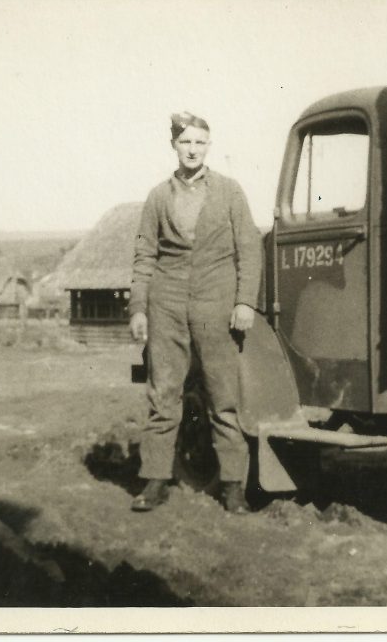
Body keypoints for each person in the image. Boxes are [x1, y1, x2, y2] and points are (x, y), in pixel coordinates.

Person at [128, 111, 263, 514]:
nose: (193, 149)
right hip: (166, 302)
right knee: (163, 394)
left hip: (215, 302)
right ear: (174, 145)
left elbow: (249, 249)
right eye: (186, 142)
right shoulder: (157, 197)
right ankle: (155, 482)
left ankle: (233, 487)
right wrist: (139, 308)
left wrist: (243, 301)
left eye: (200, 142)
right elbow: (144, 255)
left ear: (209, 146)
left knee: (223, 396)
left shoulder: (230, 192)